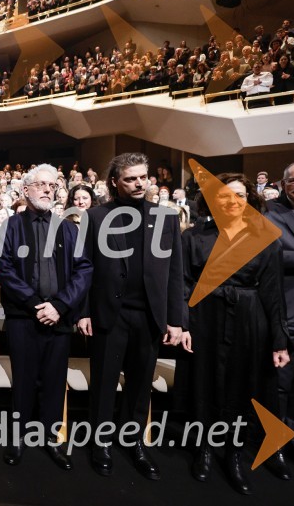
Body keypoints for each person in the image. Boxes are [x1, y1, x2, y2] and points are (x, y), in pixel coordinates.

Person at [80, 152, 186, 480]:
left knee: (141, 386)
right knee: (104, 383)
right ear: (115, 182)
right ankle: (100, 444)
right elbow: (84, 268)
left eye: (143, 177)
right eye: (130, 178)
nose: (139, 183)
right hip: (109, 315)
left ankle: (134, 442)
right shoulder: (96, 217)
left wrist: (176, 320)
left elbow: (175, 274)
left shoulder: (166, 218)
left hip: (150, 317)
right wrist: (83, 312)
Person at [183, 173, 290, 494]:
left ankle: (233, 454)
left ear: (251, 200)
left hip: (248, 318)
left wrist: (279, 340)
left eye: (240, 195)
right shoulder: (193, 237)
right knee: (203, 383)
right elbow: (184, 283)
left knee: (242, 388)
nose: (232, 202)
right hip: (205, 316)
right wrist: (185, 324)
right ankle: (202, 449)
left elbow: (273, 292)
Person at [0, 165, 93, 469]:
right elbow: (3, 268)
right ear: (26, 190)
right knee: (22, 380)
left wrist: (60, 306)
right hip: (24, 317)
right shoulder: (9, 226)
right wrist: (37, 304)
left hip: (59, 317)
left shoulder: (68, 228)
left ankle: (51, 439)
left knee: (53, 381)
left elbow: (84, 269)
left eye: (52, 185)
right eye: (41, 185)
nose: (48, 190)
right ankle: (18, 438)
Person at [265, 159, 294, 475]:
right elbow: (264, 255)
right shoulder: (269, 216)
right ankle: (275, 443)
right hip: (289, 310)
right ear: (283, 184)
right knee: (280, 382)